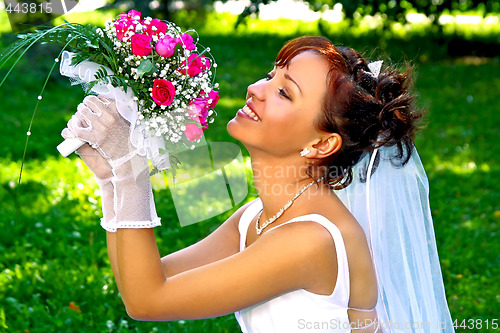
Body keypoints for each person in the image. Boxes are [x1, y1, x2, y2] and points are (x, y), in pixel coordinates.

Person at [62, 36, 454, 332]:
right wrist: (111, 177)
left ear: (321, 143)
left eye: (284, 92)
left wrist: (131, 174)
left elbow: (147, 301)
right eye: (271, 75)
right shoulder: (257, 218)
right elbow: (145, 280)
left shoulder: (310, 241)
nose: (256, 89)